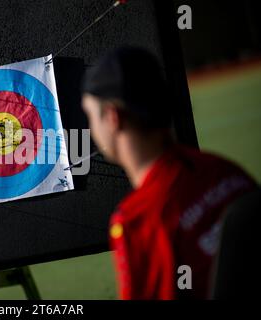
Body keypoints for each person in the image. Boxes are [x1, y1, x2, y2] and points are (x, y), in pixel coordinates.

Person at [81, 47, 256, 299]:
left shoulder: (138, 220)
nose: (90, 128)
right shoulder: (224, 169)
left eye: (89, 115)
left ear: (112, 117)